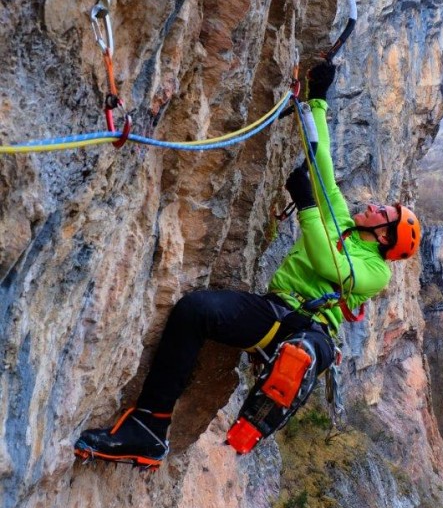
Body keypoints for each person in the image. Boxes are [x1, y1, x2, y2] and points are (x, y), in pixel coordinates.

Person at [74, 62, 420, 467]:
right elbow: (321, 160)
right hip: (275, 311)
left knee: (305, 349)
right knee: (195, 310)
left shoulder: (376, 273)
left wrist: (308, 206)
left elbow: (330, 266)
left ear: (384, 237)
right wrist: (319, 99)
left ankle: (293, 371)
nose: (377, 206)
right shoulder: (342, 219)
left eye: (386, 213)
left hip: (312, 328)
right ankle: (149, 427)